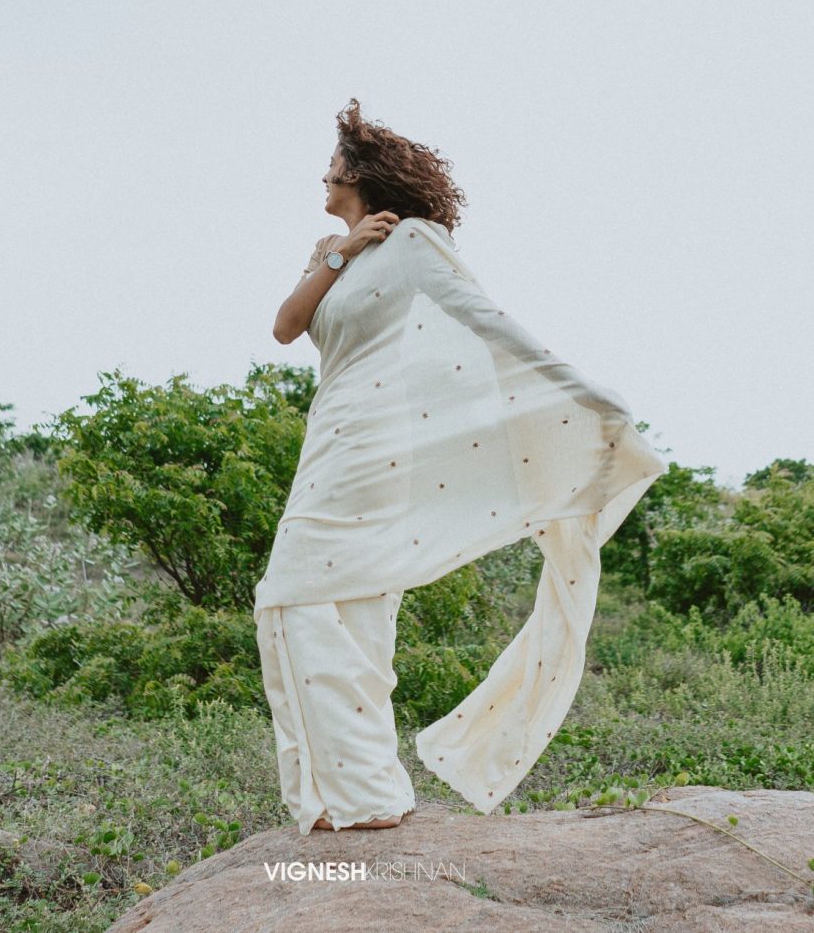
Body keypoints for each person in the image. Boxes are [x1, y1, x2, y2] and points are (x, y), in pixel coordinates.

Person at [254, 98, 665, 836]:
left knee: (307, 594)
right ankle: (358, 790)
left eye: (336, 162)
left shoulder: (415, 242)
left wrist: (585, 392)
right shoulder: (330, 250)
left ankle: (364, 791)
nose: (324, 171)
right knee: (326, 600)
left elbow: (486, 319)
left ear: (365, 174)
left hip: (377, 447)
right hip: (331, 436)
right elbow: (286, 327)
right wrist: (342, 254)